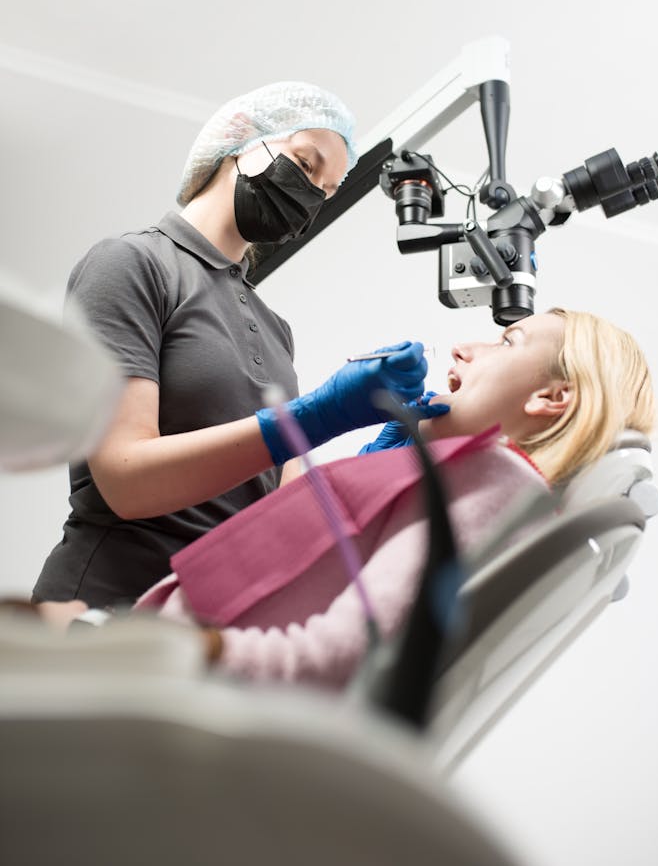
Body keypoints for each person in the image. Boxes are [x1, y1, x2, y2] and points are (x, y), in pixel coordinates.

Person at [46, 307, 656, 688]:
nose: (466, 348)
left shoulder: (500, 485)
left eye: (508, 340)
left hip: (155, 693)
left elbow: (335, 661)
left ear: (552, 398)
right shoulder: (465, 484)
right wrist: (369, 464)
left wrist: (123, 645)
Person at [32, 82, 444, 609]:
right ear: (242, 140)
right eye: (304, 162)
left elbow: (292, 518)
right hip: (102, 605)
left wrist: (371, 466)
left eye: (326, 188)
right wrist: (315, 417)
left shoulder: (276, 330)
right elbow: (126, 481)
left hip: (204, 619)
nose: (311, 191)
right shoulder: (131, 265)